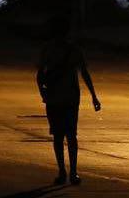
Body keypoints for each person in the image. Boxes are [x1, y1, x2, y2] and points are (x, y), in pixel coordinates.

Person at [36, 16, 100, 185]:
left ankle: (62, 171)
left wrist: (43, 93)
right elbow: (84, 73)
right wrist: (93, 95)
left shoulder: (48, 49)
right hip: (70, 98)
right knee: (71, 135)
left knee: (58, 136)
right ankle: (73, 172)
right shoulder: (74, 50)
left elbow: (40, 74)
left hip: (55, 97)